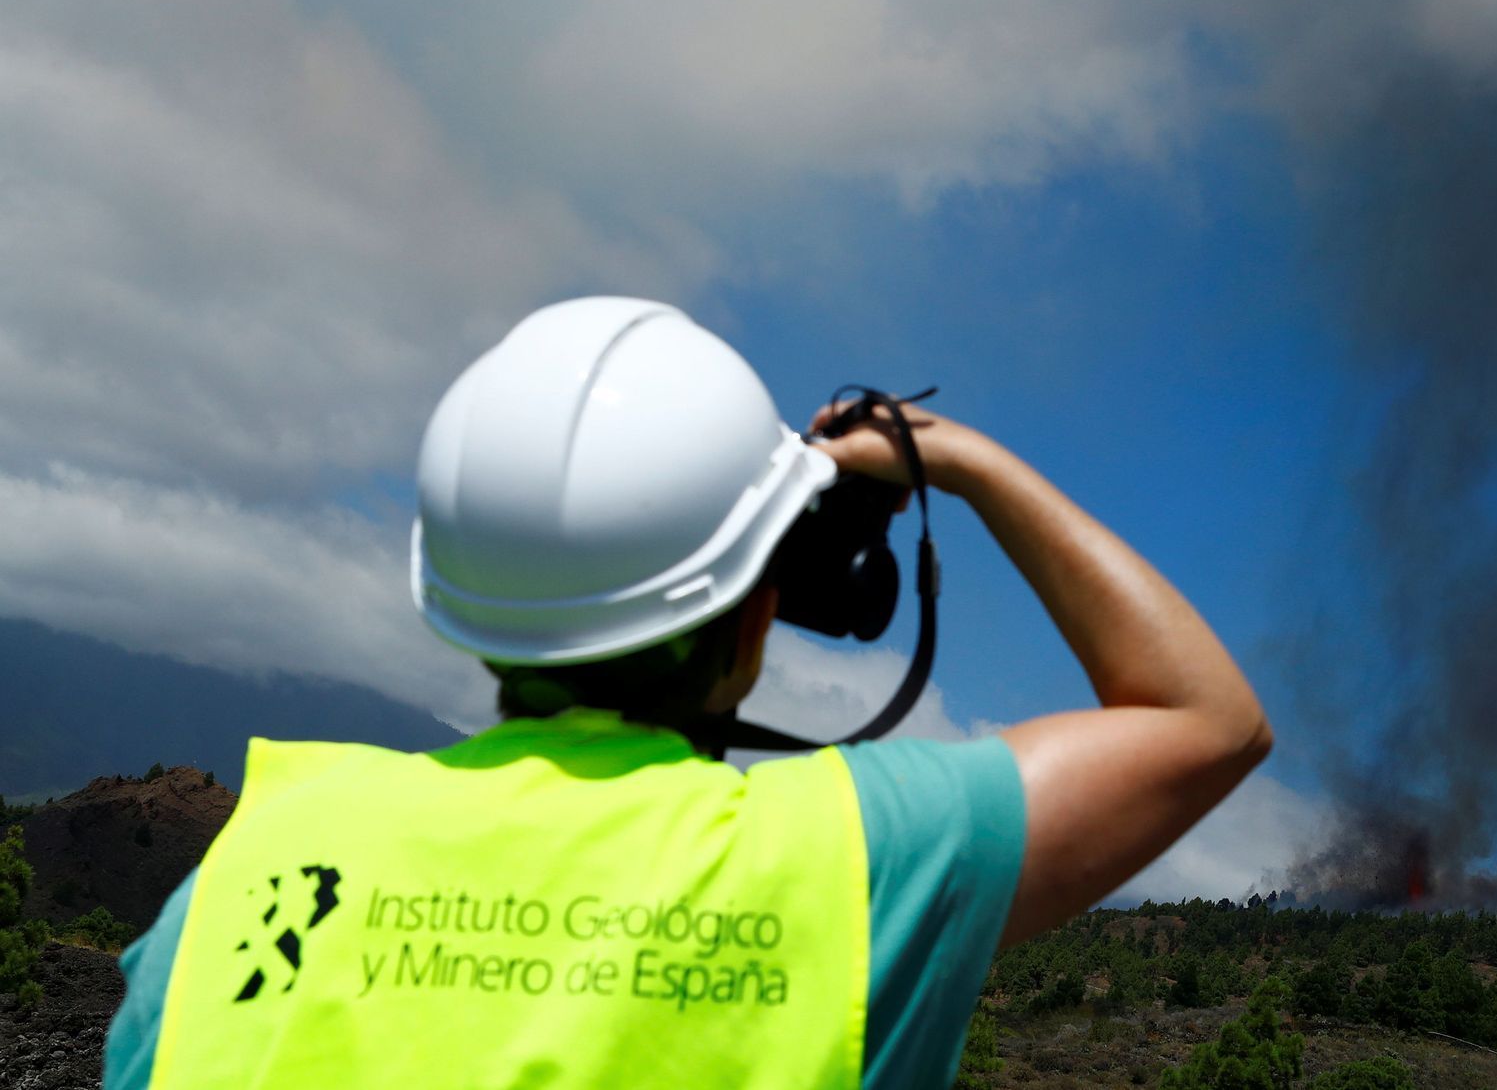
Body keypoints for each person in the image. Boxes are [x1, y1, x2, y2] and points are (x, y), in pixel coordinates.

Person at [104, 297, 1272, 1089]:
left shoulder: (246, 873)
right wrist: (957, 457)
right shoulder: (849, 860)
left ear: (457, 592)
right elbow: (1202, 718)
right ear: (759, 600)